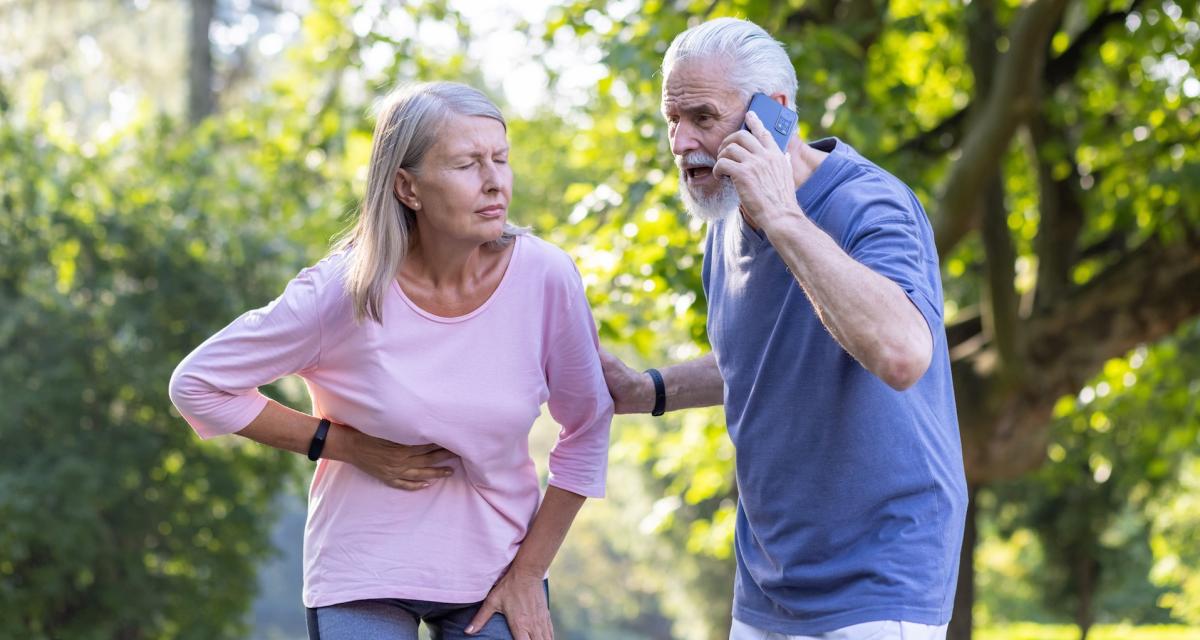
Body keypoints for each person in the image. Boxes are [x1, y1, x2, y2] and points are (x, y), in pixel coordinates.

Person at [168, 81, 612, 640]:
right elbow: (199, 384)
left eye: (500, 158)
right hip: (364, 565)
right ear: (408, 187)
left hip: (498, 563)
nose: (494, 180)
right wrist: (341, 444)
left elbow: (588, 425)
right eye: (467, 164)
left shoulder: (546, 278)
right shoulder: (343, 290)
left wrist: (530, 572)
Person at [599, 18, 969, 640]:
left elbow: (903, 354)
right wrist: (648, 390)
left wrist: (782, 218)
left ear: (774, 113)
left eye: (702, 116)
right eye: (672, 119)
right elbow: (768, 358)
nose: (682, 141)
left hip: (879, 575)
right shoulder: (724, 226)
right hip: (769, 582)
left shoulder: (868, 203)